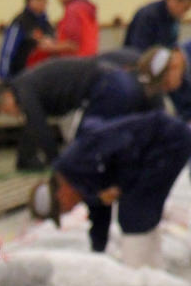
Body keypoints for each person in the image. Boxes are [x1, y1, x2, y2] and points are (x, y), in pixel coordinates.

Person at [31, 110, 191, 266]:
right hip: (156, 150)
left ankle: (140, 276)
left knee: (133, 217)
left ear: (60, 195)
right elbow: (99, 214)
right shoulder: (78, 180)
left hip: (166, 140)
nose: (70, 209)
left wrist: (121, 185)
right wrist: (98, 255)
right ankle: (151, 271)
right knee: (137, 213)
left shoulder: (80, 161)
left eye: (64, 209)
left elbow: (125, 144)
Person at [0, 51, 170, 169]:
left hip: (98, 86)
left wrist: (57, 165)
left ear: (7, 96)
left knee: (90, 141)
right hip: (95, 84)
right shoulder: (25, 84)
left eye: (5, 109)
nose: (10, 114)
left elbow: (40, 128)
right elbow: (34, 127)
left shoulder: (23, 90)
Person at [32, 0, 99, 58]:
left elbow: (73, 45)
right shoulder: (85, 8)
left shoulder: (73, 11)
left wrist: (51, 47)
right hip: (89, 61)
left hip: (75, 64)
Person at [0, 0, 55, 78]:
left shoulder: (47, 25)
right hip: (22, 77)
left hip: (44, 77)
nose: (44, 2)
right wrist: (5, 78)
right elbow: (7, 52)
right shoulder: (20, 23)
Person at [124, 0, 191, 51]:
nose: (185, 14)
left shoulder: (173, 18)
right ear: (174, 0)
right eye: (185, 8)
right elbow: (137, 52)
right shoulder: (147, 16)